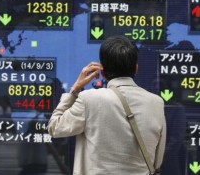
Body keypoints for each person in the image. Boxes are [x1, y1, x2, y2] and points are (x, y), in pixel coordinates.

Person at [48, 35, 166, 175]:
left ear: (102, 72)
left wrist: (75, 89)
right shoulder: (156, 102)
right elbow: (157, 161)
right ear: (135, 69)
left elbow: (55, 128)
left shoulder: (89, 99)